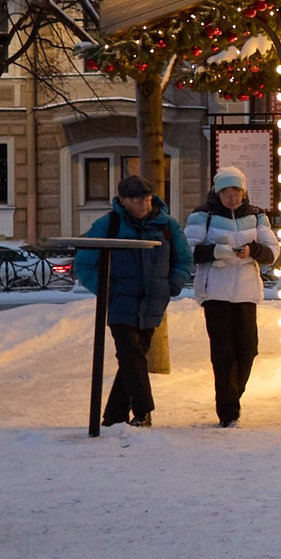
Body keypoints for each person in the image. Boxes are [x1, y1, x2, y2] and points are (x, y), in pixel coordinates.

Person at [75, 174, 192, 428]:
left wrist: (171, 286)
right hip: (120, 302)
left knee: (132, 359)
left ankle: (114, 416)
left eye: (148, 200)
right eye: (139, 200)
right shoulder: (109, 224)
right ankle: (143, 411)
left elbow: (183, 260)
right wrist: (107, 291)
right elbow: (84, 263)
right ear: (123, 200)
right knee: (130, 354)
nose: (145, 205)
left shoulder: (167, 225)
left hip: (153, 302)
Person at [185, 168, 277, 428]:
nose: (231, 197)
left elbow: (273, 251)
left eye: (235, 192)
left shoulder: (257, 216)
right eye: (226, 192)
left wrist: (253, 250)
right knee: (223, 353)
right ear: (217, 192)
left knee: (248, 349)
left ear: (243, 192)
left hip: (246, 292)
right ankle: (228, 412)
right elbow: (189, 250)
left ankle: (232, 394)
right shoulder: (202, 216)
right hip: (215, 291)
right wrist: (217, 251)